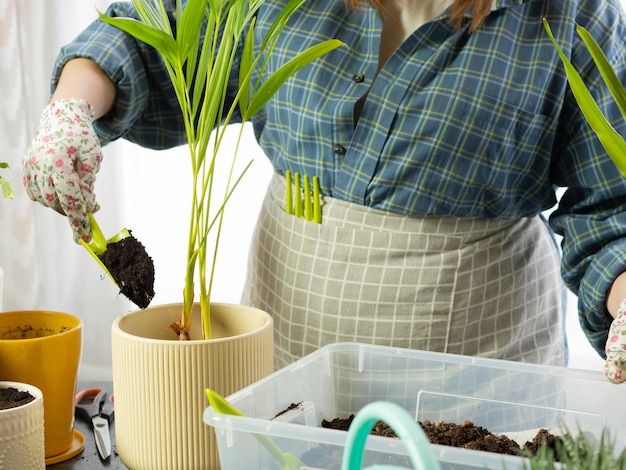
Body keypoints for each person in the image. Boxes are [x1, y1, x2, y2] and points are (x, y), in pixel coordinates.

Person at [22, 0, 626, 381]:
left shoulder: (574, 18)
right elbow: (154, 35)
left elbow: (614, 209)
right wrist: (70, 109)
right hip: (283, 369)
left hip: (479, 392)